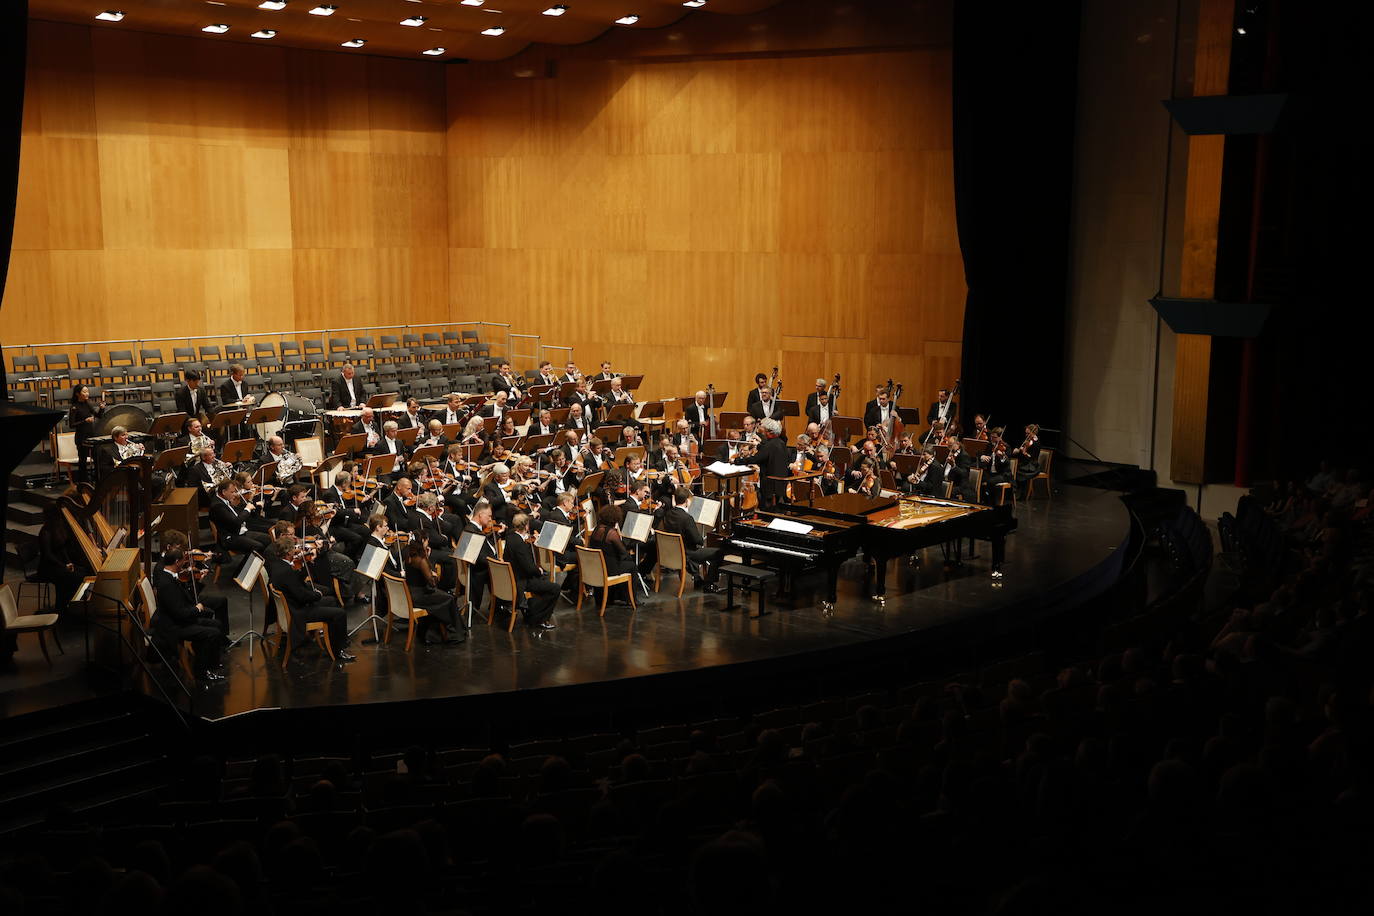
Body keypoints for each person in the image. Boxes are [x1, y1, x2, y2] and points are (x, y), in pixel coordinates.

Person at [265, 535, 353, 665]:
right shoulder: (285, 571)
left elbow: (295, 583)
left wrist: (306, 565)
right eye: (294, 549)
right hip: (298, 611)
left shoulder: (277, 566)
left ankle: (336, 638)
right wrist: (317, 594)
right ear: (289, 552)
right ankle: (338, 650)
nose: (297, 551)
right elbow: (302, 596)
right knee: (340, 613)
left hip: (292, 606)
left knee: (332, 601)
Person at [152, 548, 225, 682]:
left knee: (217, 624)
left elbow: (186, 599)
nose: (185, 564)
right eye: (183, 561)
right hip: (174, 626)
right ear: (176, 562)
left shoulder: (171, 576)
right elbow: (179, 613)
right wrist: (197, 610)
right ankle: (201, 672)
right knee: (212, 633)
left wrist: (197, 582)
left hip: (181, 620)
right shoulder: (167, 583)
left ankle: (211, 663)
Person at [658, 486, 723, 592]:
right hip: (686, 554)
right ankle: (709, 583)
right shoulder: (687, 518)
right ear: (687, 501)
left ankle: (698, 579)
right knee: (718, 552)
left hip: (671, 553)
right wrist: (701, 539)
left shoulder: (668, 514)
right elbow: (698, 540)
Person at [504, 513, 560, 631]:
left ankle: (532, 611)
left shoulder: (510, 537)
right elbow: (529, 568)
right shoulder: (520, 544)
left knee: (545, 581)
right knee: (554, 588)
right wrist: (538, 570)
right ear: (526, 527)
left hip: (514, 576)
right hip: (522, 580)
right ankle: (539, 618)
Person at [402, 541, 462, 644]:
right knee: (449, 598)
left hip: (411, 595)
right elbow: (433, 583)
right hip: (421, 596)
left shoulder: (409, 557)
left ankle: (434, 633)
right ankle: (454, 634)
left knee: (444, 597)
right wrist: (433, 574)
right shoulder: (421, 560)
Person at [37, 503, 86, 609]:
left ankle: (72, 604)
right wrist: (64, 566)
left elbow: (62, 549)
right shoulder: (45, 532)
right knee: (74, 577)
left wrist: (69, 563)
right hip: (48, 568)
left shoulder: (57, 529)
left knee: (82, 572)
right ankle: (64, 606)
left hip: (59, 565)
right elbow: (48, 556)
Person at [587, 505, 637, 605]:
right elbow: (623, 552)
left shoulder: (596, 529)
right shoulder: (611, 533)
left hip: (597, 566)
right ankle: (630, 599)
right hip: (608, 569)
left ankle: (615, 596)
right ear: (615, 519)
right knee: (632, 566)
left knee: (625, 562)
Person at [68, 384, 104, 483]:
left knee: (96, 458)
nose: (87, 393)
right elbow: (72, 424)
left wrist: (101, 408)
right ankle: (83, 482)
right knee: (83, 461)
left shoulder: (87, 404)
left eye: (87, 391)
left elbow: (99, 416)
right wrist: (85, 421)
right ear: (77, 394)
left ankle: (98, 480)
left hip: (91, 435)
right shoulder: (74, 407)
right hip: (81, 437)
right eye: (84, 392)